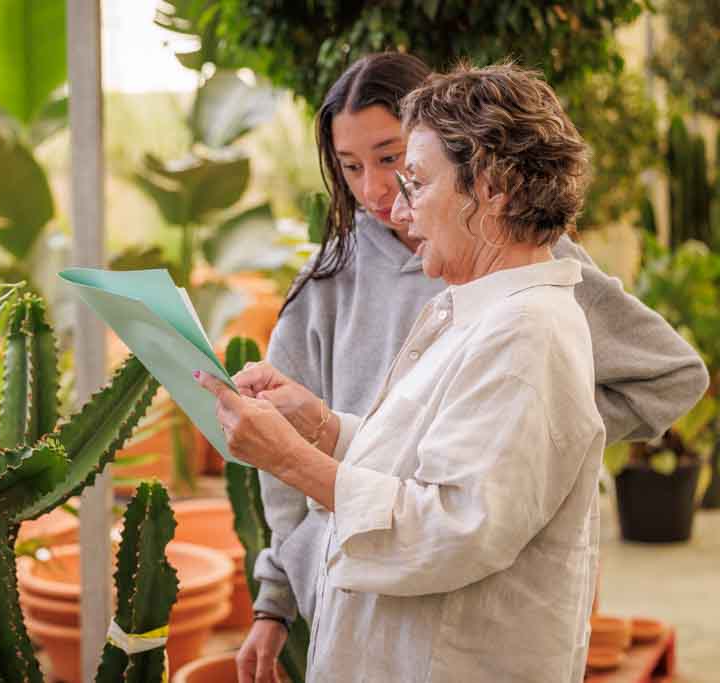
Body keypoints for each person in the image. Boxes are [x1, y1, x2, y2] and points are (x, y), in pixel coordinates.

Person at [196, 61, 709, 683]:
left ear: (490, 189)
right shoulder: (477, 309)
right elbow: (433, 458)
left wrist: (293, 462)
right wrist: (323, 425)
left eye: (413, 180)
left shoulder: (526, 333)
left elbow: (455, 526)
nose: (397, 209)